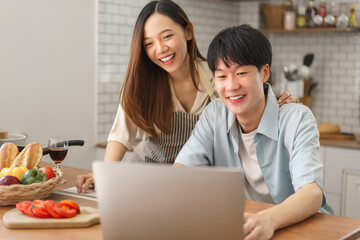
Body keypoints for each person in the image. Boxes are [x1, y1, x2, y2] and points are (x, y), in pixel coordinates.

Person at [76, 0, 297, 193]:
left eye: (167, 36)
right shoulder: (140, 83)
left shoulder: (216, 77)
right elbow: (120, 135)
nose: (160, 49)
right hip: (145, 176)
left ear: (188, 32)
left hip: (196, 181)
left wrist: (277, 104)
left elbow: (248, 103)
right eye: (149, 44)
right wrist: (104, 173)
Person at [174, 24, 333, 240]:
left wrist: (269, 219)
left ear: (264, 73)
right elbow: (181, 170)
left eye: (241, 73)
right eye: (221, 76)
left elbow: (312, 194)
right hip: (241, 229)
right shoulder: (214, 115)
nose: (231, 86)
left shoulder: (297, 118)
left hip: (297, 229)